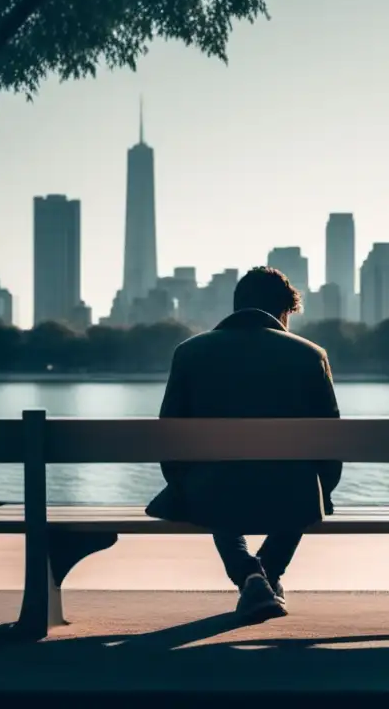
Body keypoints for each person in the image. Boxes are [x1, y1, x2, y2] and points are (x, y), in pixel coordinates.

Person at [146, 266, 342, 622]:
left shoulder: (189, 352)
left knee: (212, 476)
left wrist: (179, 481)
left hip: (210, 488)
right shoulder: (311, 355)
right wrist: (324, 489)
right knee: (307, 485)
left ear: (236, 307)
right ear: (283, 312)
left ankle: (250, 575)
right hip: (290, 491)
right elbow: (331, 443)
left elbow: (169, 434)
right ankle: (267, 575)